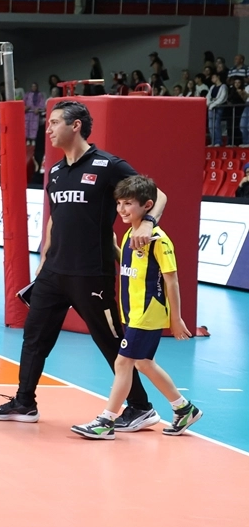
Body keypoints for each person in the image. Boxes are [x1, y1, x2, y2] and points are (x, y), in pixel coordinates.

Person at [0, 101, 166, 429]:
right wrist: (44, 258)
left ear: (76, 125)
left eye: (55, 123)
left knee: (109, 340)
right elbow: (56, 218)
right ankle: (24, 402)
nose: (49, 129)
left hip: (91, 273)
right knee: (34, 336)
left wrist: (148, 223)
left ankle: (140, 407)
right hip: (54, 272)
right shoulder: (55, 172)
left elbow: (158, 195)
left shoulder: (108, 165)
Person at [71, 176, 203, 440]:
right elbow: (133, 267)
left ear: (147, 205)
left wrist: (176, 318)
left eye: (128, 203)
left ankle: (106, 421)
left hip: (148, 312)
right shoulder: (130, 234)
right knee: (143, 363)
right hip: (131, 312)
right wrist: (114, 249)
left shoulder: (158, 240)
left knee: (123, 362)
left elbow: (172, 280)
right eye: (119, 203)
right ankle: (184, 408)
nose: (121, 209)